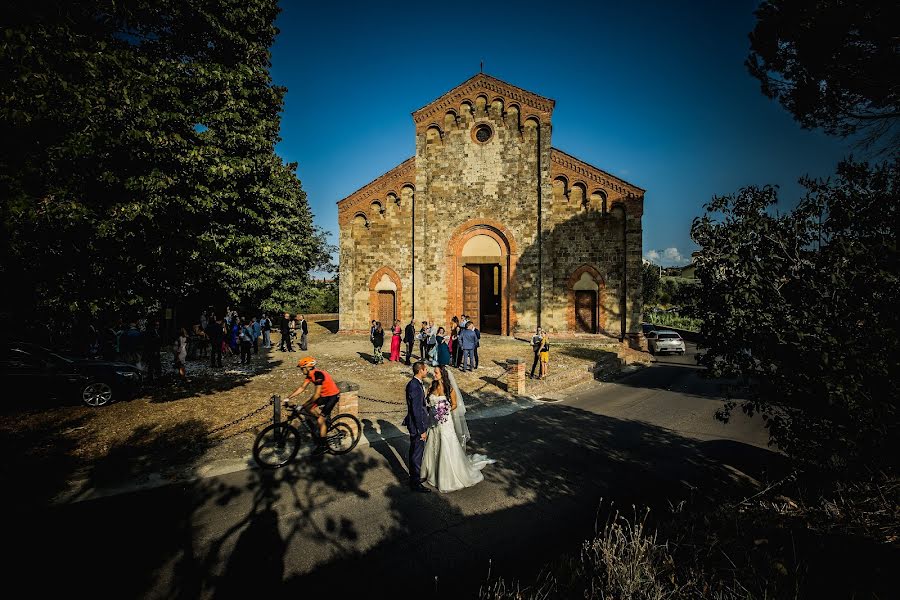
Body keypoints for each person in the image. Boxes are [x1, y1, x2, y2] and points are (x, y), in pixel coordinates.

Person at [421, 366, 494, 492]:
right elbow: (427, 401)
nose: (434, 374)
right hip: (433, 422)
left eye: (436, 372)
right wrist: (431, 410)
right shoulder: (431, 386)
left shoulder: (450, 389)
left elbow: (454, 404)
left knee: (445, 445)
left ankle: (447, 477)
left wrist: (446, 411)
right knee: (434, 444)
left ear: (443, 374)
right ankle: (433, 472)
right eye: (434, 372)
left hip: (445, 422)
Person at [284, 357, 341, 454]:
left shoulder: (318, 375)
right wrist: (288, 397)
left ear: (308, 367)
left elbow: (316, 395)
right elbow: (302, 388)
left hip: (332, 396)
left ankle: (323, 446)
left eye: (302, 368)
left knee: (319, 419)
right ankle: (322, 422)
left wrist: (304, 404)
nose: (301, 370)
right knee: (307, 408)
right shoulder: (310, 376)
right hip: (324, 396)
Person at [402, 362, 430, 493]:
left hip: (415, 425)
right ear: (421, 370)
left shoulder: (416, 384)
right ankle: (415, 482)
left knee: (415, 451)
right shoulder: (415, 386)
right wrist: (422, 430)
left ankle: (414, 477)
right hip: (417, 426)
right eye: (426, 369)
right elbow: (417, 410)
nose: (427, 371)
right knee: (417, 454)